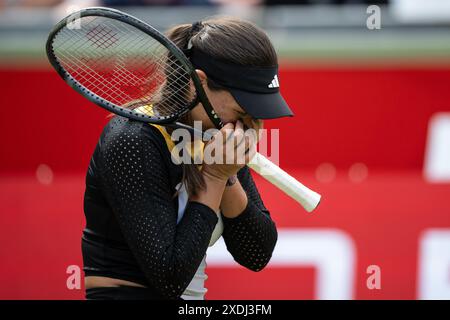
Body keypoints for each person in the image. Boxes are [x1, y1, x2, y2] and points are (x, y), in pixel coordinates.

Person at [82, 17, 294, 300]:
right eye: (243, 111)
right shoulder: (132, 140)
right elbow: (170, 279)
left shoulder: (215, 135)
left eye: (257, 116)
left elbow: (256, 254)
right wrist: (214, 177)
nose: (249, 127)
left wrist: (227, 175)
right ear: (199, 84)